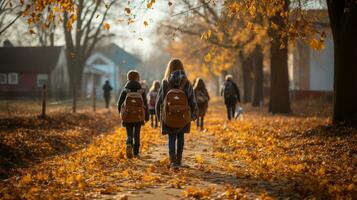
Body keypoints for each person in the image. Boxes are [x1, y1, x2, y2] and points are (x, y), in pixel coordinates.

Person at [156, 58, 198, 168]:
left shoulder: (165, 82)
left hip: (169, 115)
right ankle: (179, 160)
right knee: (180, 137)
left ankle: (173, 161)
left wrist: (159, 117)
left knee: (171, 137)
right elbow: (192, 100)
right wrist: (193, 114)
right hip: (183, 116)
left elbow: (159, 102)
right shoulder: (187, 82)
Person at [117, 70, 149, 159]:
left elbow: (119, 104)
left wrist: (121, 113)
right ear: (138, 78)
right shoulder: (141, 91)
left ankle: (128, 143)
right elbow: (145, 104)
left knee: (129, 134)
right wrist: (146, 116)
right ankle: (136, 153)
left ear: (128, 78)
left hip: (127, 115)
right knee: (137, 134)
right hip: (138, 116)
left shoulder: (125, 91)